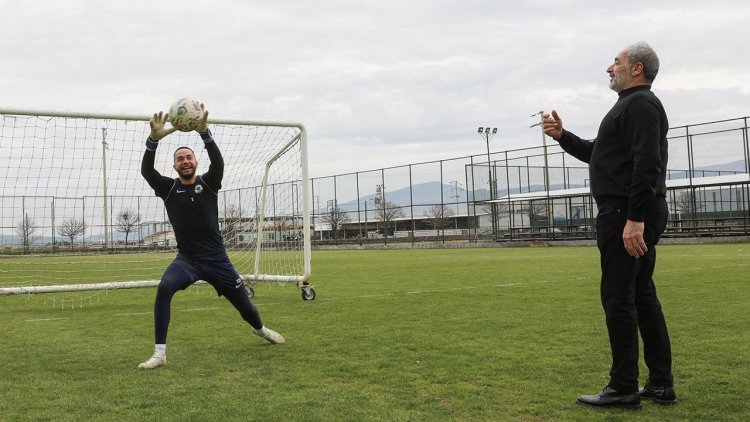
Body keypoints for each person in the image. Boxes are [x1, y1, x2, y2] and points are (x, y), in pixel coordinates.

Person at [542, 42, 676, 408]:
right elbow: (596, 153)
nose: (609, 68)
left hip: (626, 214)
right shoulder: (629, 107)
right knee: (642, 295)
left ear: (636, 69)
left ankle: (623, 388)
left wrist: (634, 219)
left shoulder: (641, 105)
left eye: (616, 62)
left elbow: (648, 163)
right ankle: (660, 384)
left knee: (619, 298)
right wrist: (561, 136)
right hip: (631, 212)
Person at [138, 106, 285, 370]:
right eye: (180, 158)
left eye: (188, 158)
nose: (185, 161)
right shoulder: (168, 188)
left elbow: (218, 163)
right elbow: (148, 173)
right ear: (174, 165)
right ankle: (160, 354)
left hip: (217, 260)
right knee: (164, 288)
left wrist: (205, 134)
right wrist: (153, 141)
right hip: (187, 261)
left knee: (246, 309)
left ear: (195, 162)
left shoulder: (208, 183)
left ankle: (261, 330)